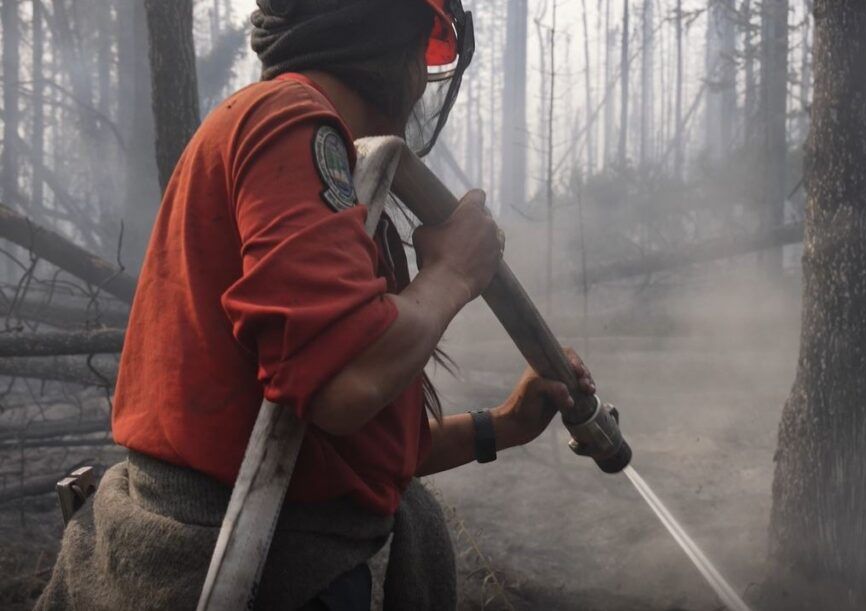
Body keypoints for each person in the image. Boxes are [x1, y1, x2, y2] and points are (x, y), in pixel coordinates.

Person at [35, 1, 594, 609]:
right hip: (246, 566)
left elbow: (327, 456)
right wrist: (456, 270)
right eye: (423, 51)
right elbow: (343, 384)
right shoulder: (291, 121)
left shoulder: (320, 159)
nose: (420, 80)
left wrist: (503, 426)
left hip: (267, 540)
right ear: (387, 37)